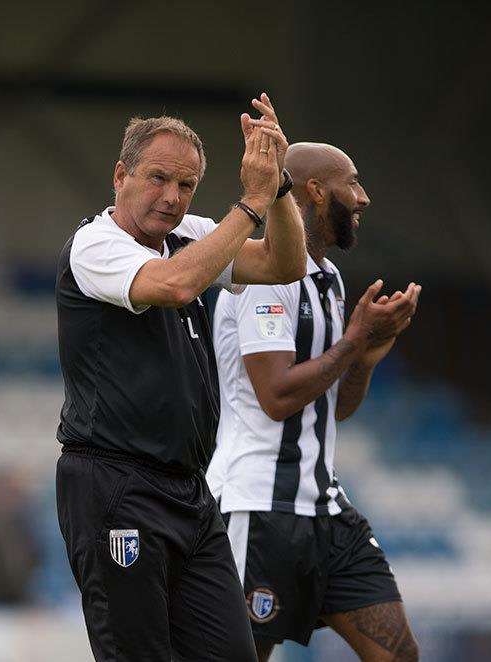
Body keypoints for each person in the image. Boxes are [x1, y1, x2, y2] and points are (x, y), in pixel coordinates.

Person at [55, 94, 306, 661]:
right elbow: (175, 285)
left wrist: (280, 184)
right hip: (116, 485)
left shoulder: (188, 234)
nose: (171, 197)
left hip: (190, 491)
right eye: (158, 178)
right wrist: (252, 201)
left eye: (186, 185)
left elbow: (283, 265)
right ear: (120, 176)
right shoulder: (95, 245)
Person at [204, 142, 421, 661]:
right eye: (353, 183)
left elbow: (334, 407)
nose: (363, 198)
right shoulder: (263, 278)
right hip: (259, 507)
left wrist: (364, 357)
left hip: (325, 508)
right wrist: (352, 342)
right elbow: (277, 396)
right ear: (317, 191)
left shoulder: (330, 280)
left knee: (400, 654)